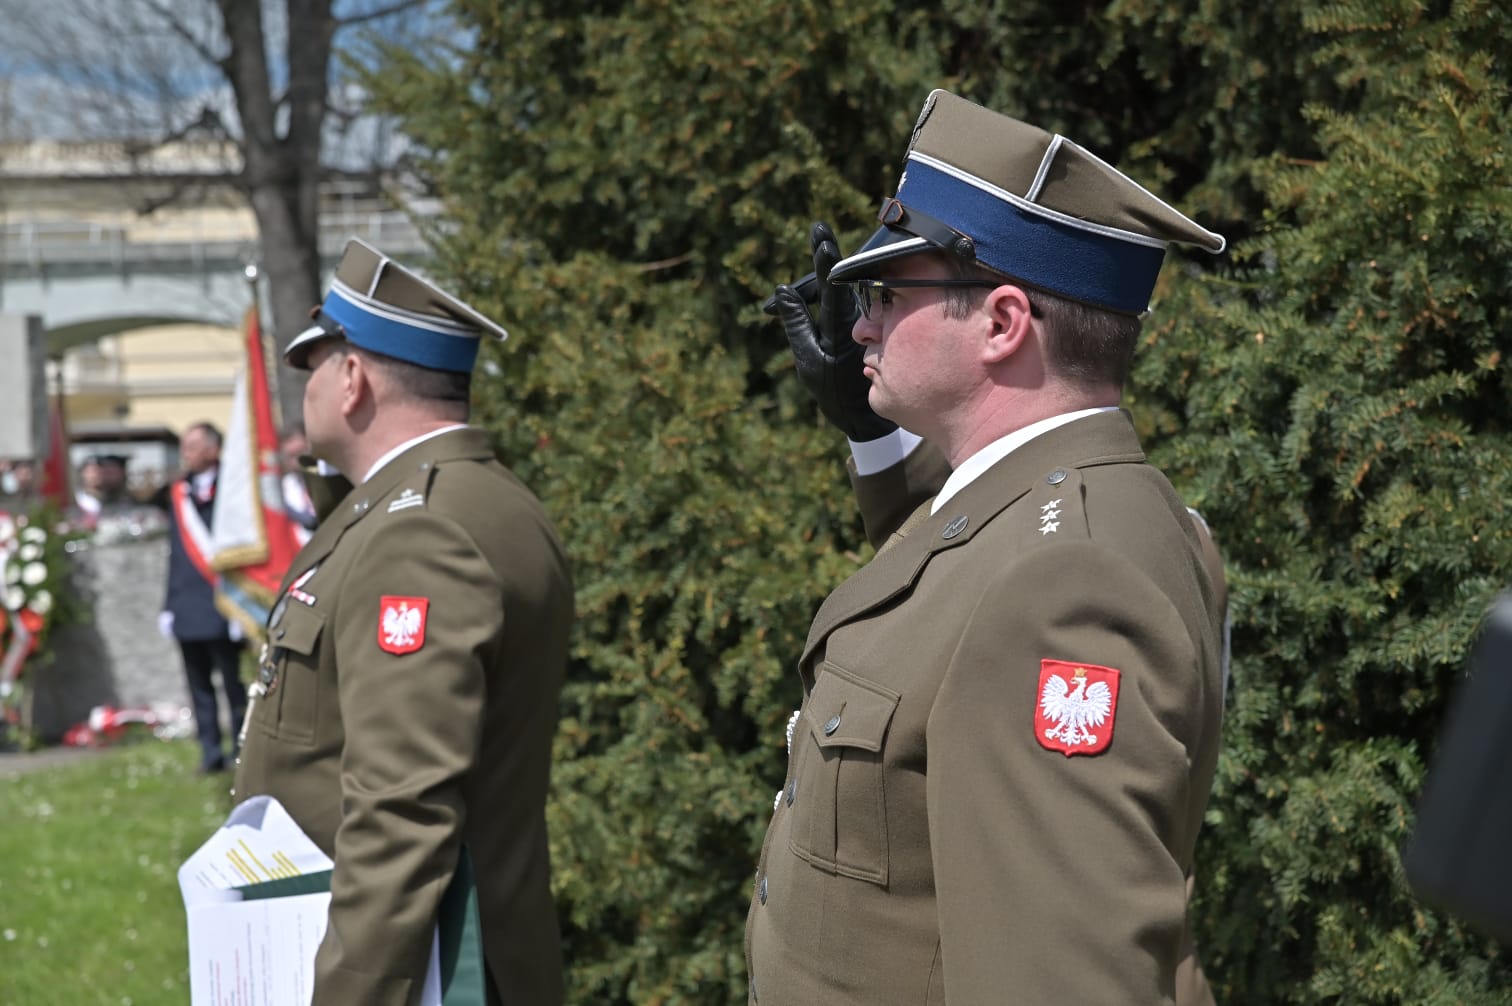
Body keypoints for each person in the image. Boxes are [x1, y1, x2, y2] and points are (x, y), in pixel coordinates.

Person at [748, 89, 1229, 1003]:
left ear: (1003, 324)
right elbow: (954, 604)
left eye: (887, 293)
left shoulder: (1073, 584)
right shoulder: (1081, 519)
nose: (860, 323)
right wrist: (873, 435)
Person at [231, 238, 574, 1005]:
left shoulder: (419, 531)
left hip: (427, 976)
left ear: (352, 378)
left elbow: (400, 813)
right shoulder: (477, 500)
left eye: (314, 364)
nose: (305, 387)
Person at [161, 422, 248, 774]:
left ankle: (241, 749)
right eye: (184, 446)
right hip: (188, 603)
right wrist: (168, 605)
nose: (186, 453)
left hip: (223, 602)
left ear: (213, 449)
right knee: (198, 685)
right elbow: (176, 554)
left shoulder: (234, 486)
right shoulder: (179, 493)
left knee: (233, 683)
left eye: (193, 446)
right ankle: (210, 752)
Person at [276, 421, 318, 542]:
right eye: (291, 456)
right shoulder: (283, 489)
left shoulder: (326, 479)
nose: (297, 460)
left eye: (300, 452)